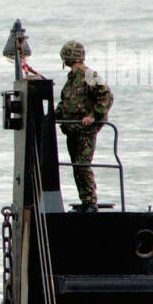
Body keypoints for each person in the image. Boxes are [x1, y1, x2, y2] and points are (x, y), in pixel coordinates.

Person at [55, 40, 114, 212]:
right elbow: (67, 102)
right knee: (77, 167)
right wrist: (54, 115)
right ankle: (85, 201)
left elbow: (106, 96)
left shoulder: (89, 75)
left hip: (85, 131)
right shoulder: (72, 78)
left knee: (82, 165)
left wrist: (93, 116)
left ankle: (90, 203)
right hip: (72, 130)